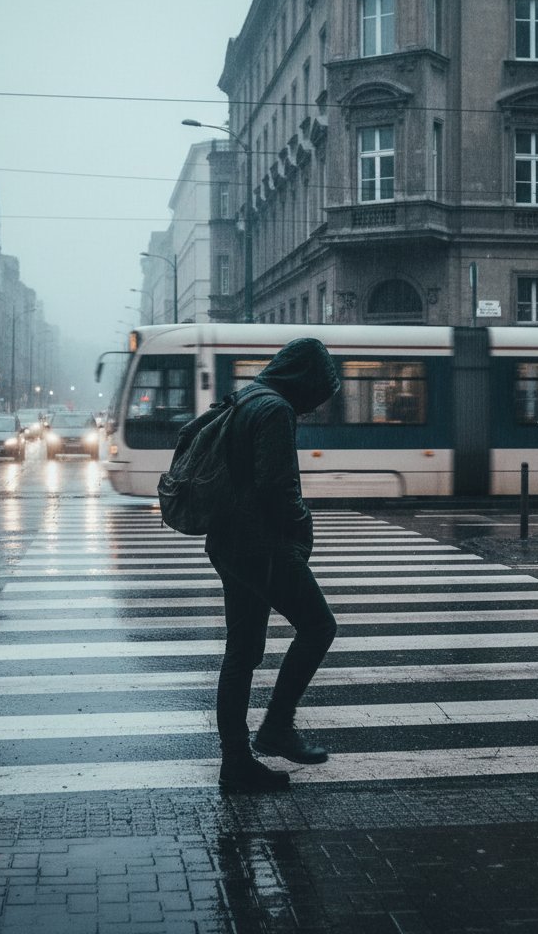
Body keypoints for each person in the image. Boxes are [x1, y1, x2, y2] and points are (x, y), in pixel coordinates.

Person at [205, 337, 341, 793]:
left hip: (228, 541)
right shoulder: (275, 409)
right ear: (305, 379)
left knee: (241, 653)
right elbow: (276, 488)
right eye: (317, 393)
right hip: (260, 545)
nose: (314, 406)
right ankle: (277, 726)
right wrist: (303, 526)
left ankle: (236, 763)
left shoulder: (245, 398)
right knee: (319, 626)